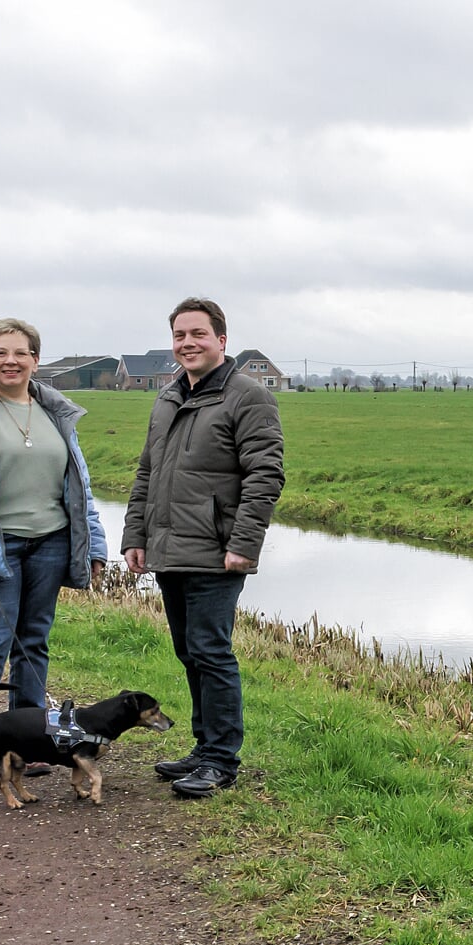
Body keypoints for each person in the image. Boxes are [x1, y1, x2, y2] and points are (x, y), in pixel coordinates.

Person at [0, 318, 109, 787]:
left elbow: (79, 488)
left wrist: (95, 542)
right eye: (1, 352)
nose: (12, 360)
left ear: (35, 359)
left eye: (22, 352)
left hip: (50, 542)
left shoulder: (54, 411)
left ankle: (27, 745)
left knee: (34, 642)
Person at [122, 297, 284, 798]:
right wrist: (136, 536)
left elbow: (265, 474)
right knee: (189, 651)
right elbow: (148, 471)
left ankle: (220, 760)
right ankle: (202, 746)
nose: (187, 343)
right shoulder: (169, 396)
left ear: (221, 340)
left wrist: (244, 544)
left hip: (217, 551)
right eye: (180, 336)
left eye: (198, 334)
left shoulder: (247, 396)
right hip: (169, 548)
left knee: (212, 652)